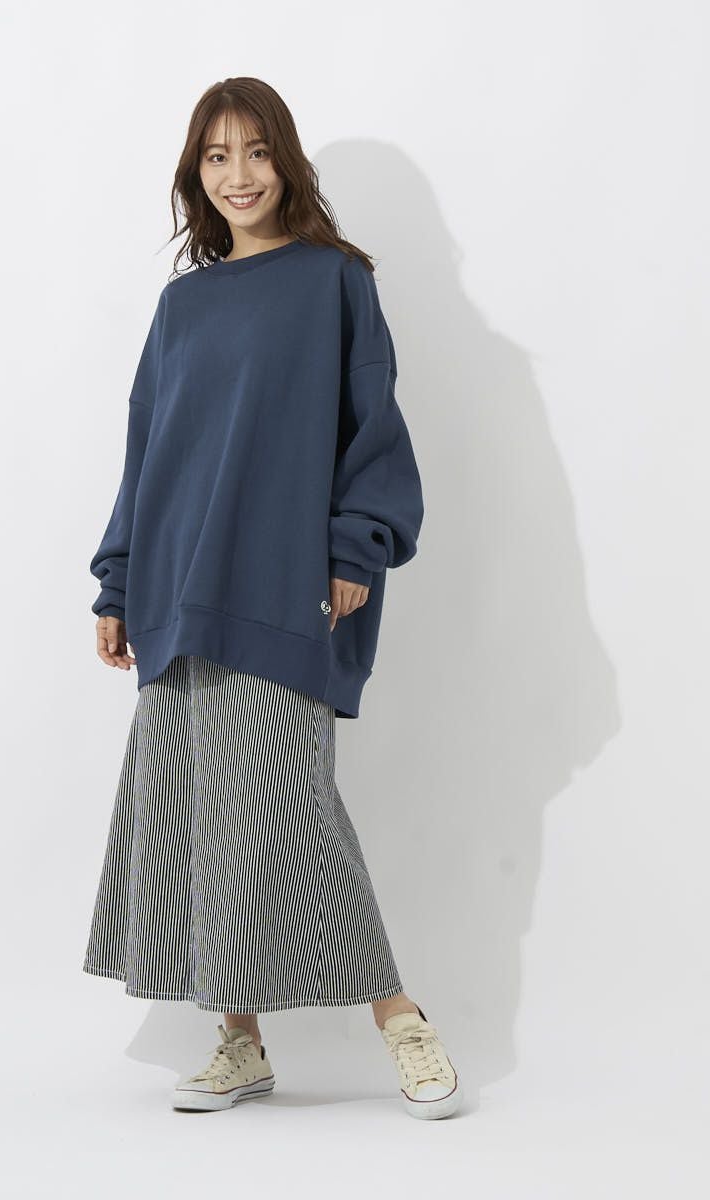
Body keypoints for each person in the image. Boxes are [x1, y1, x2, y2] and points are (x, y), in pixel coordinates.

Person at [82, 76, 463, 1121]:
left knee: (289, 809)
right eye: (216, 156)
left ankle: (402, 1019)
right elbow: (148, 451)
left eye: (255, 151)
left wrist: (354, 546)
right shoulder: (183, 305)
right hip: (176, 587)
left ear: (286, 160)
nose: (238, 175)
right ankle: (239, 1041)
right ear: (194, 174)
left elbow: (372, 429)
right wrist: (118, 580)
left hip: (280, 585)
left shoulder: (333, 281)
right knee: (200, 814)